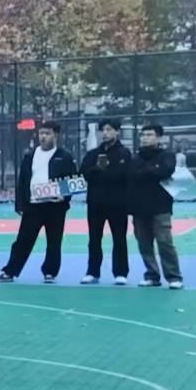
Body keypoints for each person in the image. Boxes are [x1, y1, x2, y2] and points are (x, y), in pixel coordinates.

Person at [0, 120, 78, 284]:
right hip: (33, 206)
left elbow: (73, 180)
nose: (43, 137)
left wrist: (64, 197)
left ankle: (50, 272)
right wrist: (20, 204)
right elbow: (22, 181)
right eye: (41, 133)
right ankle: (10, 271)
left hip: (55, 207)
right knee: (22, 241)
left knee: (54, 242)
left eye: (47, 133)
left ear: (55, 135)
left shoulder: (64, 156)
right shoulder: (30, 156)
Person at [131, 124, 184, 289]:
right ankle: (152, 275)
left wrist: (147, 171)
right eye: (143, 135)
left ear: (159, 137)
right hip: (139, 208)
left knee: (165, 243)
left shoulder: (167, 155)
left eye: (149, 135)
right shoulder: (136, 158)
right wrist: (152, 170)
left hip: (160, 207)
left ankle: (174, 276)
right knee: (144, 244)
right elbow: (132, 175)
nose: (145, 138)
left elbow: (165, 171)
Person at [80, 118, 132, 285]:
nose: (106, 133)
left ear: (117, 132)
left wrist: (102, 172)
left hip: (118, 203)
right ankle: (92, 272)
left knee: (119, 238)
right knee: (94, 239)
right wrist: (98, 168)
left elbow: (122, 175)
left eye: (109, 130)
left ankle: (120, 273)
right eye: (103, 130)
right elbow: (84, 174)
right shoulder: (93, 154)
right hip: (95, 203)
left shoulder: (124, 153)